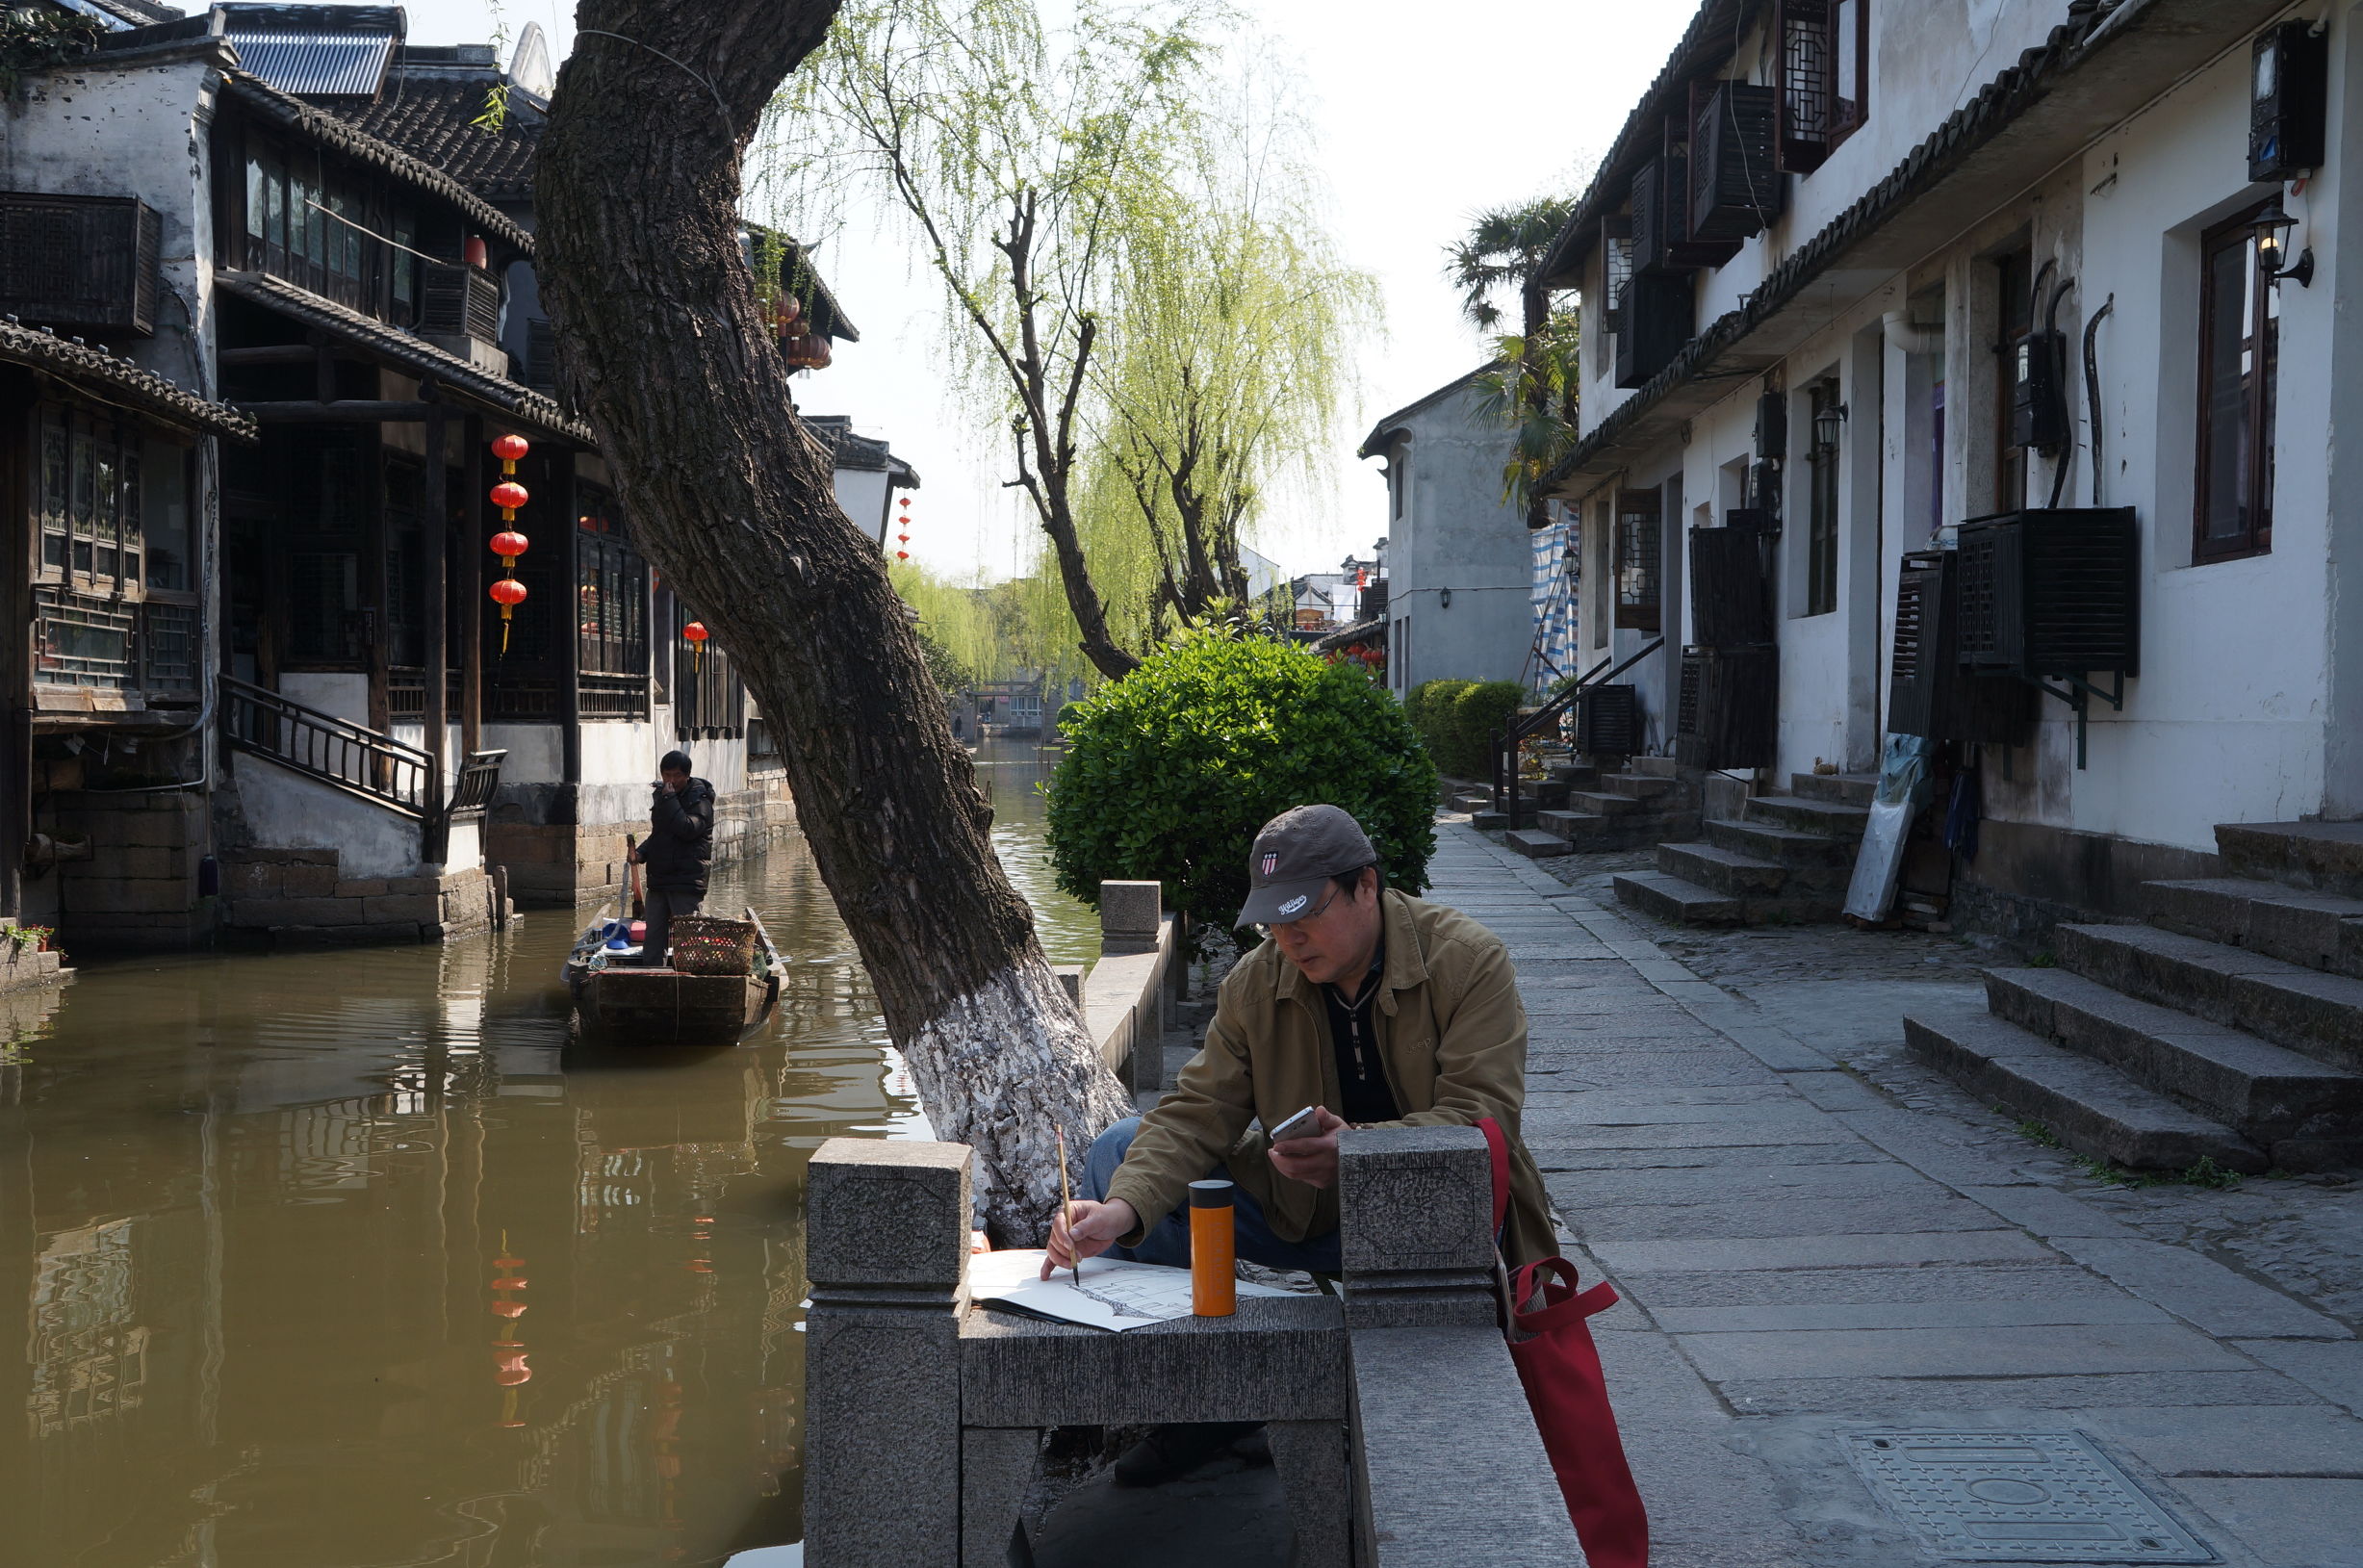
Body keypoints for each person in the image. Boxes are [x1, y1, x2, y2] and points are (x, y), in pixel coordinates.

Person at [1043, 803, 1554, 1483]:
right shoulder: (1256, 981)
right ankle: (1203, 1403)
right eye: (1273, 923)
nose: (1289, 939)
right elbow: (1197, 1112)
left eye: (1304, 915)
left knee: (1454, 1177)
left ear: (1365, 885)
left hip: (1429, 1216)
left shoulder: (1467, 960)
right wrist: (1120, 1210)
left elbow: (1482, 1119)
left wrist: (1360, 1152)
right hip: (1299, 1205)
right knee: (1120, 1151)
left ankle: (1397, 1410)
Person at [629, 750, 714, 966]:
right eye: (667, 775)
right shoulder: (663, 796)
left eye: (677, 776)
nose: (671, 781)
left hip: (686, 880)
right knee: (653, 937)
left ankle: (688, 977)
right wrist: (641, 853)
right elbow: (660, 834)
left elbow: (687, 829)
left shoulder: (701, 800)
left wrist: (669, 799)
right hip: (659, 878)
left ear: (687, 775)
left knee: (687, 938)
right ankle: (652, 976)